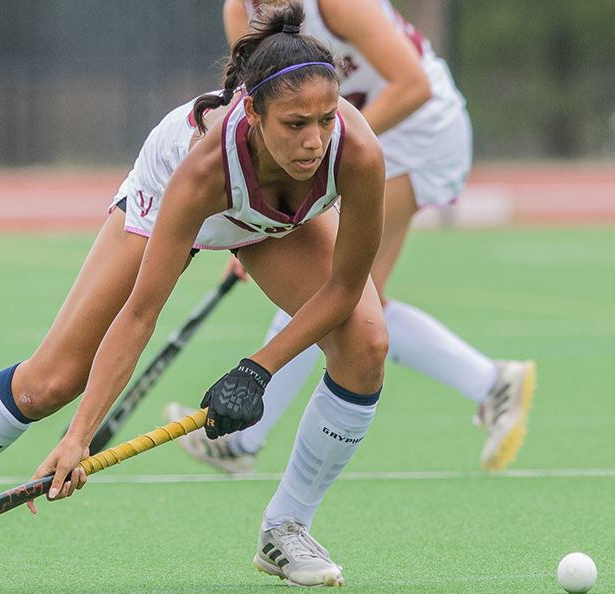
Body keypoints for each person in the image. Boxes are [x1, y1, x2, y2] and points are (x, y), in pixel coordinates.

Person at [0, 2, 387, 588]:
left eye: (326, 119)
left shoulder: (356, 153)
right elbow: (142, 312)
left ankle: (286, 530)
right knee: (52, 382)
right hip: (181, 200)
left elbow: (345, 286)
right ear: (252, 112)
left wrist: (258, 369)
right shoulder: (198, 170)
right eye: (295, 125)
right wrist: (78, 437)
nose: (314, 141)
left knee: (366, 345)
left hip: (272, 220)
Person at [167, 0, 535, 474]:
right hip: (325, 139)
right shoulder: (240, 11)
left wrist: (330, 158)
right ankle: (492, 383)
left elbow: (413, 86)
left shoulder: (337, 4)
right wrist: (256, 216)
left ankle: (240, 442)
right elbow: (255, 113)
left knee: (341, 292)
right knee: (358, 301)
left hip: (415, 130)